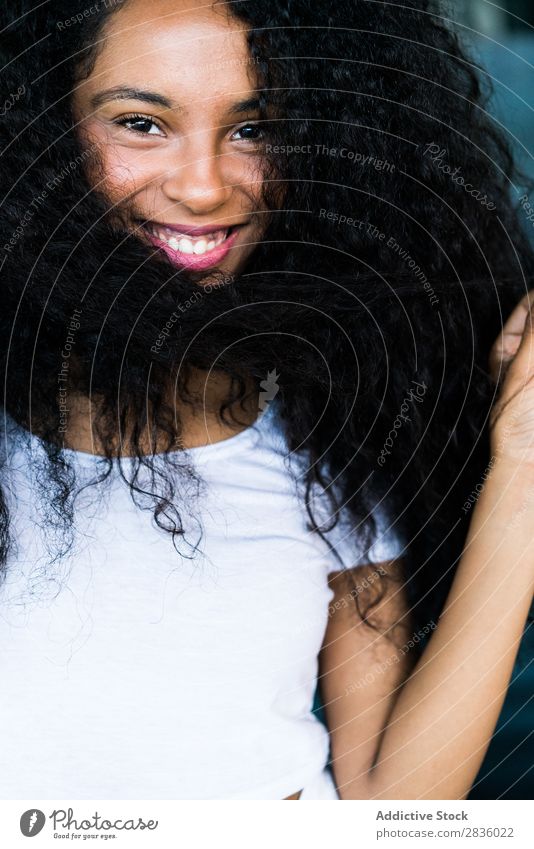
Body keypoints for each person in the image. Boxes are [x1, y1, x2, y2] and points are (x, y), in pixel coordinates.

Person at [0, 0, 532, 800]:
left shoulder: (331, 443)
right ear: (41, 134)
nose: (204, 185)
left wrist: (522, 468)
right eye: (140, 123)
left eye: (253, 129)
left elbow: (396, 815)